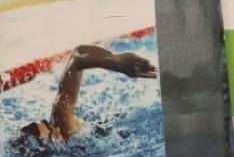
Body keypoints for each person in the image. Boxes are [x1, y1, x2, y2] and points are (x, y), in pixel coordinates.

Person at [13, 44, 156, 150]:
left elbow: (78, 56)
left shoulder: (62, 124)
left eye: (48, 124)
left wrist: (115, 61)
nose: (56, 128)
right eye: (51, 134)